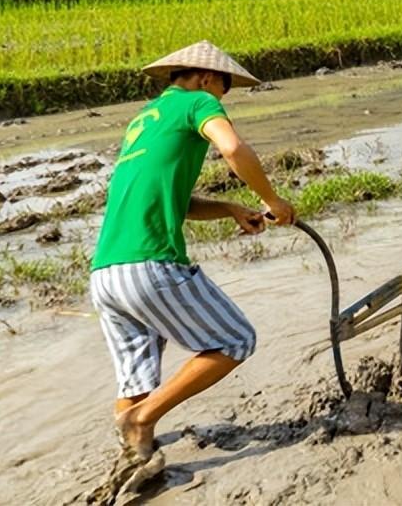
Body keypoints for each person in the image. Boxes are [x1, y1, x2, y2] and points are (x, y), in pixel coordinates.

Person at [89, 40, 295, 484]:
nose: (222, 100)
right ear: (205, 78)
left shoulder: (144, 121)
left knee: (135, 382)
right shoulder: (196, 101)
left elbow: (174, 201)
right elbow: (233, 147)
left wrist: (229, 208)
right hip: (150, 265)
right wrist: (269, 198)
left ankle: (136, 463)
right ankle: (143, 421)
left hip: (106, 274)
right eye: (224, 90)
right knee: (236, 339)